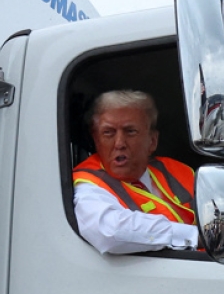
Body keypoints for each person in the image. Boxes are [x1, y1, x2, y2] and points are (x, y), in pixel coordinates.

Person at [72, 90, 199, 254]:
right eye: (108, 133)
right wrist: (194, 236)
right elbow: (110, 232)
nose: (119, 143)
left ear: (152, 141)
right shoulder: (87, 183)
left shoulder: (178, 170)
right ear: (97, 141)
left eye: (130, 131)